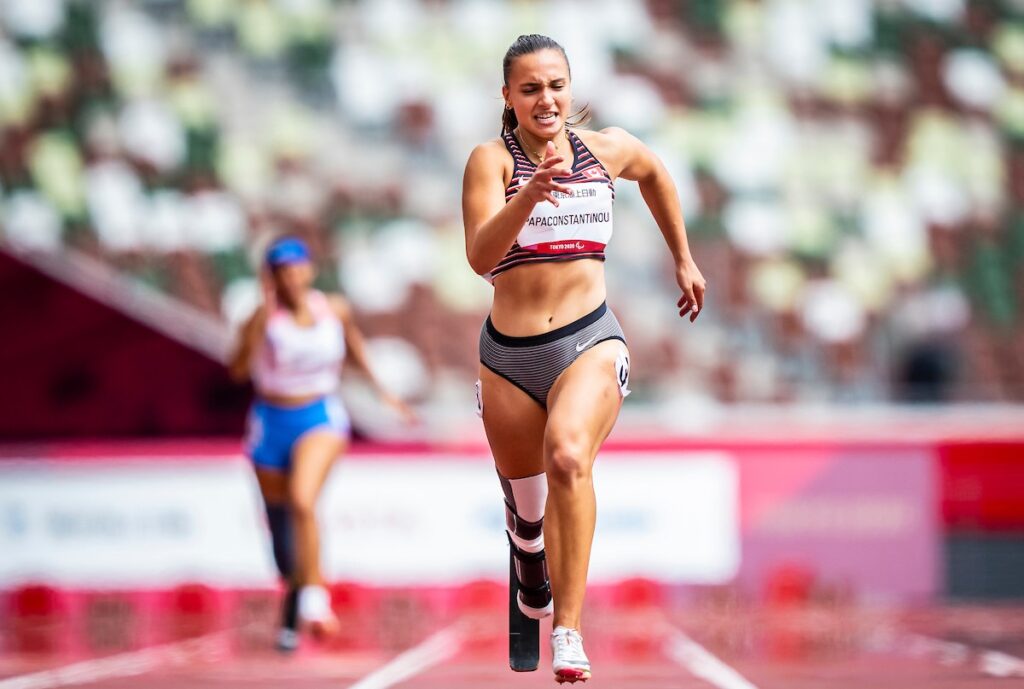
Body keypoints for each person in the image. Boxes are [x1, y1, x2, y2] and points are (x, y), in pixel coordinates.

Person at [461, 34, 706, 683]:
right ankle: (527, 558)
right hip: (509, 355)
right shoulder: (489, 161)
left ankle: (567, 631)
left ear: (572, 89)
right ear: (508, 98)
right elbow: (482, 257)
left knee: (569, 454)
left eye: (557, 85)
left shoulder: (607, 150)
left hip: (589, 340)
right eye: (531, 87)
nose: (547, 98)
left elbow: (654, 171)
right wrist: (528, 194)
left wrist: (682, 256)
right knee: (526, 505)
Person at [228, 235, 414, 652]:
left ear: (309, 271)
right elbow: (238, 370)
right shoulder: (263, 318)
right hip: (271, 421)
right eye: (283, 274)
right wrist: (254, 329)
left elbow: (355, 347)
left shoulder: (333, 308)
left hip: (319, 416)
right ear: (272, 279)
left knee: (303, 500)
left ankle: (315, 599)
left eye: (298, 271)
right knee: (281, 534)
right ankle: (294, 600)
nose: (292, 280)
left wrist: (385, 393)